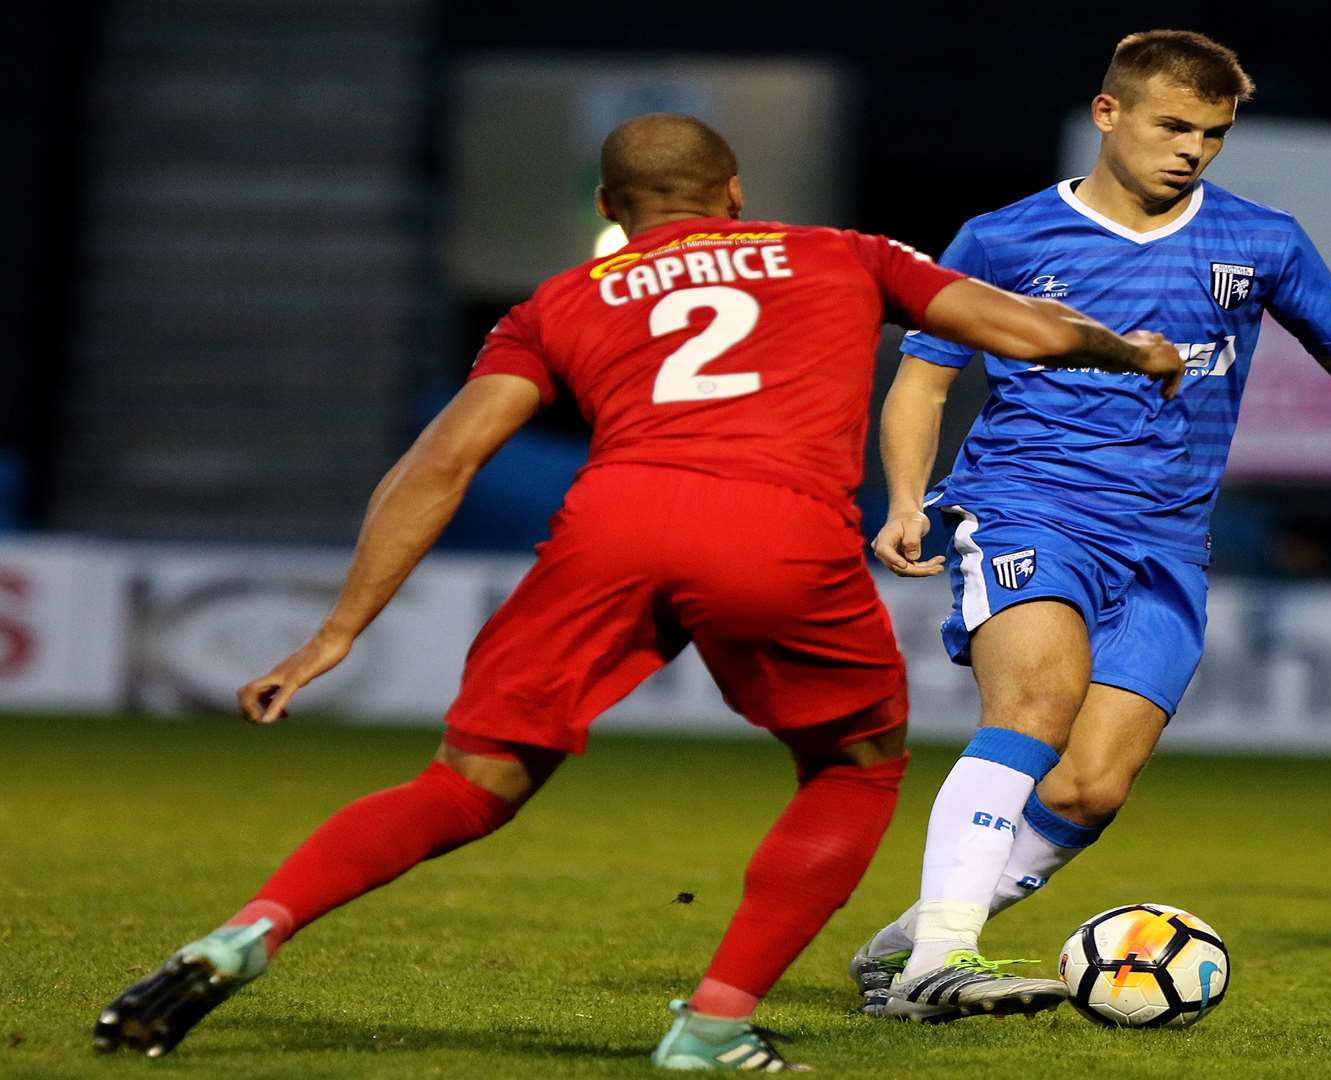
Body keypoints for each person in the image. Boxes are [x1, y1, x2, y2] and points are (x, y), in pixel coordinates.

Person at [92, 113, 1184, 1070]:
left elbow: (439, 464)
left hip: (612, 525)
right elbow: (1031, 329)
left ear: (612, 208)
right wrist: (1134, 354)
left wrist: (335, 632)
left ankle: (244, 932)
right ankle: (711, 1029)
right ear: (737, 191)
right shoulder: (841, 253)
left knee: (469, 782)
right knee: (853, 769)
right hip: (774, 527)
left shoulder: (559, 299)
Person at [850, 30, 1331, 1022]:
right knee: (1037, 703)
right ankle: (941, 962)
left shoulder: (1263, 240)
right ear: (1108, 114)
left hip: (1167, 539)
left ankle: (911, 942)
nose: (1193, 149)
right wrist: (906, 497)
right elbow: (925, 375)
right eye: (1173, 125)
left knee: (1091, 787)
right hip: (1029, 503)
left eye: (1213, 133)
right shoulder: (1004, 238)